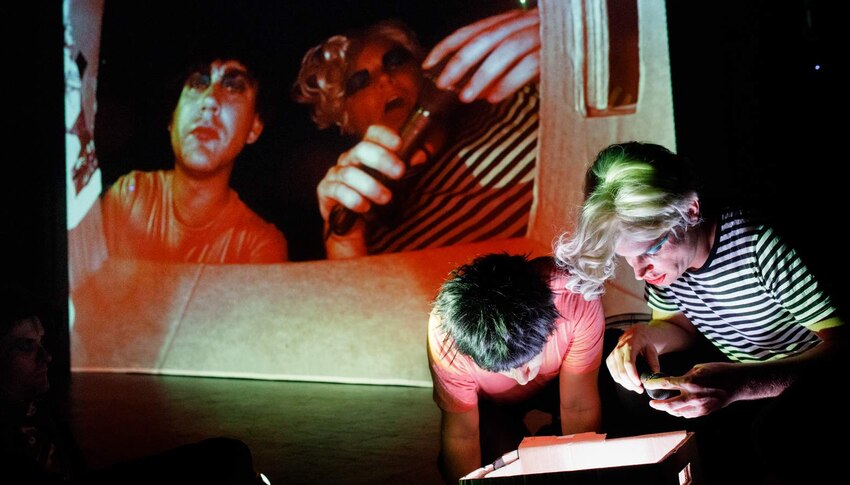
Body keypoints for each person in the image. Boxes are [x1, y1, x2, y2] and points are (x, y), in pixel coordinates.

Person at [554, 141, 850, 483]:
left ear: (691, 209)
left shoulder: (761, 246)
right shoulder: (668, 268)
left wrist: (741, 384)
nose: (640, 272)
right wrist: (644, 336)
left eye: (651, 249)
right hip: (745, 393)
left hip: (815, 393)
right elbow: (678, 324)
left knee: (772, 433)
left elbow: (846, 350)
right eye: (627, 257)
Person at [293, 7, 541, 259]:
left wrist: (566, 41)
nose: (384, 79)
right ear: (346, 121)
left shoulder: (513, 102)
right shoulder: (373, 239)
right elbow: (360, 297)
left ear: (422, 70)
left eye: (394, 61)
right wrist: (343, 241)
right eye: (360, 82)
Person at [1, 292, 268, 484]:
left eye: (41, 342)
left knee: (226, 453)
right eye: (26, 347)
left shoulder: (39, 409)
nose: (46, 357)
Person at [427, 253, 604, 483]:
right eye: (507, 369)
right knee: (502, 466)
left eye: (529, 361)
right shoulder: (446, 336)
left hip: (559, 380)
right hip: (490, 407)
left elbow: (578, 406)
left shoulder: (574, 295)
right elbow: (462, 434)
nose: (523, 378)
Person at [102, 53, 287, 264]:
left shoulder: (257, 246)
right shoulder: (129, 197)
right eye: (198, 83)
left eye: (233, 87)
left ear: (254, 128)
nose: (209, 100)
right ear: (172, 118)